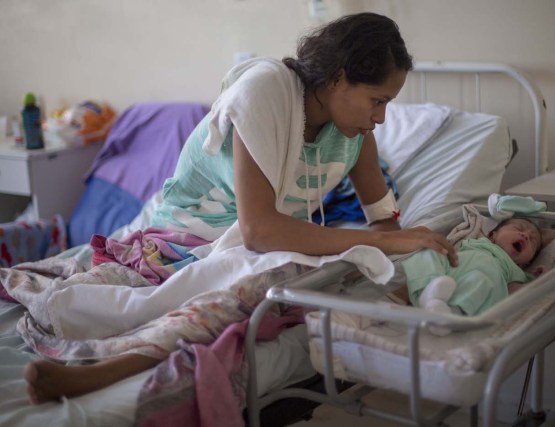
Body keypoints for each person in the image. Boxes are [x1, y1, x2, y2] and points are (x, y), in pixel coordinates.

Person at [23, 12, 458, 404]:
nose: (381, 117)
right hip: (188, 237)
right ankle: (105, 367)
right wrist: (377, 240)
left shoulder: (354, 134)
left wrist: (408, 244)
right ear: (340, 78)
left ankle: (110, 366)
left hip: (250, 243)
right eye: (377, 100)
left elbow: (384, 220)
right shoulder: (265, 92)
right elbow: (260, 231)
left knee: (277, 287)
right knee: (265, 284)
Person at [401, 217, 543, 335]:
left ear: (525, 263)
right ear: (492, 235)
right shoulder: (477, 242)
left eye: (532, 240)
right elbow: (452, 246)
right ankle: (426, 292)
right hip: (451, 270)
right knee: (431, 250)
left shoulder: (515, 270)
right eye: (519, 228)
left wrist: (539, 281)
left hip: (473, 282)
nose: (525, 235)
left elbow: (514, 293)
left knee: (483, 281)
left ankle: (449, 315)